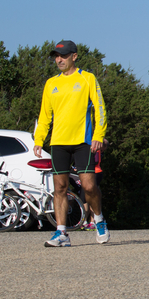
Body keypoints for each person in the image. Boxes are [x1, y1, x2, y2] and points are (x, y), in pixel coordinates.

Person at [33, 40, 109, 247]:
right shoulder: (51, 83)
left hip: (83, 142)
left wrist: (99, 135)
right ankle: (61, 233)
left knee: (89, 186)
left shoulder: (87, 78)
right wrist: (39, 139)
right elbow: (45, 115)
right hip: (58, 142)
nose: (59, 60)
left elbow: (100, 109)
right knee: (60, 187)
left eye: (63, 56)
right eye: (56, 56)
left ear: (74, 56)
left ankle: (99, 220)